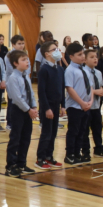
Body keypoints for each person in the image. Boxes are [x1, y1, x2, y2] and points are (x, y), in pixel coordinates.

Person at [5, 49, 37, 176]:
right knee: (15, 138)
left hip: (28, 109)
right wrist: (28, 109)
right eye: (23, 60)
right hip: (18, 110)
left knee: (26, 137)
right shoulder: (13, 78)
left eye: (27, 59)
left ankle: (21, 163)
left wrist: (33, 107)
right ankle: (11, 165)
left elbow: (31, 93)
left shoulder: (25, 76)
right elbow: (17, 98)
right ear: (15, 63)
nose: (27, 62)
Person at [36, 41, 65, 169]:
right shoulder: (44, 69)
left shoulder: (60, 69)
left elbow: (62, 88)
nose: (57, 51)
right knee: (46, 133)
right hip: (47, 106)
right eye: (54, 49)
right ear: (47, 54)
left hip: (56, 105)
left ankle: (49, 156)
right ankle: (40, 158)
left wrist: (63, 105)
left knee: (53, 133)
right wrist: (46, 108)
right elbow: (41, 91)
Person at [63, 42, 93, 165]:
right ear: (71, 56)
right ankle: (69, 154)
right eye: (79, 54)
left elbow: (90, 86)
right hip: (75, 106)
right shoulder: (70, 70)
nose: (82, 57)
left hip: (85, 106)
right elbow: (70, 89)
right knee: (73, 131)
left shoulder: (84, 69)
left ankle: (77, 153)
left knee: (82, 131)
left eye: (83, 54)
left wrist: (89, 101)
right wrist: (81, 103)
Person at [81, 49, 103, 160]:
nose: (95, 59)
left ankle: (99, 148)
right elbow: (83, 89)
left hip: (96, 105)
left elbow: (100, 85)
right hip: (86, 105)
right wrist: (95, 91)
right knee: (85, 130)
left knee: (97, 128)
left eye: (96, 57)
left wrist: (101, 90)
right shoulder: (83, 72)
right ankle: (85, 151)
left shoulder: (98, 72)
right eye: (92, 57)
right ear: (85, 60)